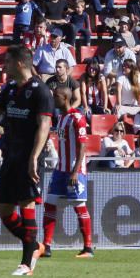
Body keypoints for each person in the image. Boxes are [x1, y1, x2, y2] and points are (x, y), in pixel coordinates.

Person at [0, 45, 55, 276]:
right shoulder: (8, 88)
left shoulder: (41, 90)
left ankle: (27, 263)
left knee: (27, 204)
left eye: (8, 62)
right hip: (10, 154)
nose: (4, 66)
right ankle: (35, 245)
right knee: (4, 210)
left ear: (20, 63)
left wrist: (35, 157)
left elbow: (44, 126)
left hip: (29, 157)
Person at [41, 87, 95, 258]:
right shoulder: (61, 117)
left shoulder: (76, 117)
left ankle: (88, 248)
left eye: (55, 96)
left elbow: (83, 146)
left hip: (74, 170)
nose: (53, 99)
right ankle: (47, 246)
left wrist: (75, 171)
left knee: (79, 206)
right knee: (49, 204)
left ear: (64, 98)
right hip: (60, 169)